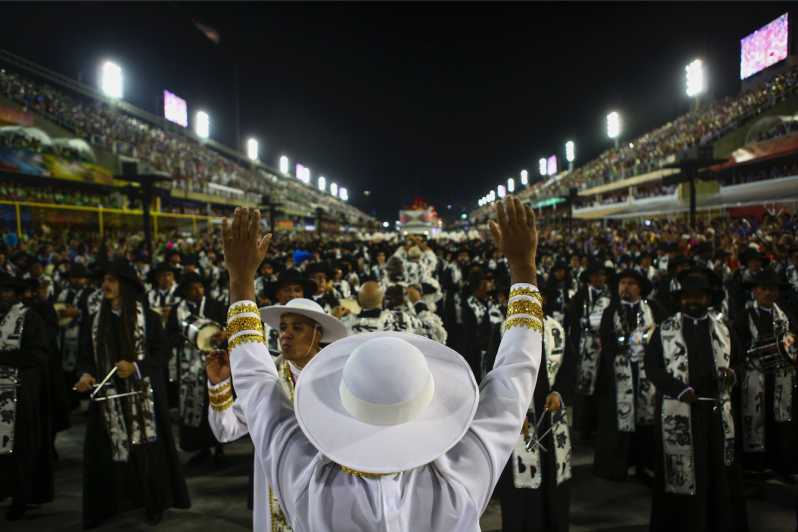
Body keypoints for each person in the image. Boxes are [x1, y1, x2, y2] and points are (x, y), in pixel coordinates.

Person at [218, 200, 542, 531]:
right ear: (427, 402)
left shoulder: (309, 485)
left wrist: (241, 280)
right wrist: (524, 269)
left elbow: (256, 385)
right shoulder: (461, 480)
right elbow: (515, 378)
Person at [206, 297, 348, 532]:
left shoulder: (339, 377)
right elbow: (226, 430)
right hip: (277, 489)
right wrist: (218, 385)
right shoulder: (268, 380)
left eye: (297, 328)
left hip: (328, 491)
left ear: (317, 333)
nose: (286, 334)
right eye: (283, 328)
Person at [75, 260, 190, 528]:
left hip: (143, 397)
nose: (105, 285)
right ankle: (109, 506)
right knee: (107, 452)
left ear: (125, 286)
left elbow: (162, 354)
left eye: (112, 280)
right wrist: (85, 374)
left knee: (147, 452)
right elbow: (85, 357)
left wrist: (136, 367)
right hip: (108, 399)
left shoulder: (147, 317)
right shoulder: (94, 320)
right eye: (104, 279)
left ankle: (153, 503)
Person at [644, 268, 748, 532]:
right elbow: (653, 368)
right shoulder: (664, 330)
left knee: (717, 471)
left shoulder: (723, 329)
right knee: (682, 472)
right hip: (681, 409)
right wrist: (679, 389)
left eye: (699, 297)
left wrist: (733, 373)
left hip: (715, 412)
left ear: (708, 299)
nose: (693, 301)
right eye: (688, 297)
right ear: (680, 299)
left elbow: (740, 361)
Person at [498, 314, 576, 531]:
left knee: (553, 475)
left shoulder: (555, 329)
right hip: (519, 416)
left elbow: (569, 368)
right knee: (520, 481)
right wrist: (511, 409)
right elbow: (493, 372)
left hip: (550, 416)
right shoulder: (504, 329)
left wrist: (559, 393)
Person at [594, 269, 663, 481]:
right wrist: (622, 345)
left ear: (640, 287)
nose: (625, 287)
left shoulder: (653, 308)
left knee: (646, 420)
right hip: (619, 373)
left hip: (646, 372)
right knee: (620, 420)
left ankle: (646, 464)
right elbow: (605, 342)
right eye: (622, 282)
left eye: (631, 283)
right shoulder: (610, 311)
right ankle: (619, 464)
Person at [0, 272, 53, 521]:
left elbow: (40, 355)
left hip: (21, 393)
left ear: (16, 294)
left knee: (21, 449)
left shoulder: (29, 318)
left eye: (7, 291)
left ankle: (21, 498)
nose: (3, 296)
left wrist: (5, 359)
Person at [733, 268, 797, 474]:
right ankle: (756, 466)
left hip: (782, 377)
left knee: (782, 420)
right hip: (754, 377)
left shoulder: (787, 316)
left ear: (777, 292)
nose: (768, 293)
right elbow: (737, 347)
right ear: (755, 292)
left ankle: (781, 463)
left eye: (772, 289)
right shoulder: (744, 316)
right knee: (756, 420)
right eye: (763, 289)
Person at [166, 271, 227, 464]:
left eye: (200, 286)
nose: (197, 291)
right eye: (192, 288)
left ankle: (218, 444)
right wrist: (188, 339)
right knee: (194, 406)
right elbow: (169, 336)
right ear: (184, 291)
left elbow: (227, 328)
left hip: (214, 362)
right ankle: (200, 446)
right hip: (188, 365)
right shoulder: (178, 309)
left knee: (215, 401)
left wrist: (221, 336)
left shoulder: (215, 305)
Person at [566, 262, 611, 440]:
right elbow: (571, 321)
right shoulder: (580, 297)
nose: (598, 278)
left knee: (602, 387)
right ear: (589, 278)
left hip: (605, 348)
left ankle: (599, 427)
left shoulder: (610, 296)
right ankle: (581, 429)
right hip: (583, 348)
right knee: (583, 387)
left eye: (601, 275)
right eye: (594, 276)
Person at [262, 269, 317, 356]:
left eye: (297, 290)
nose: (292, 294)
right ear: (277, 294)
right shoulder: (263, 319)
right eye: (287, 290)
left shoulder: (312, 318)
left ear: (303, 294)